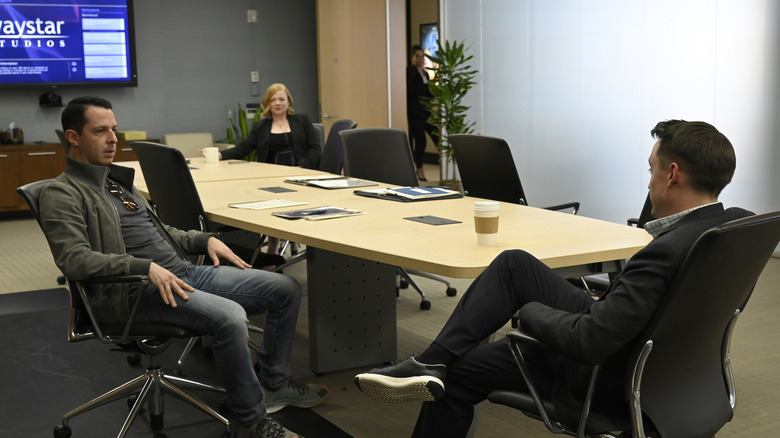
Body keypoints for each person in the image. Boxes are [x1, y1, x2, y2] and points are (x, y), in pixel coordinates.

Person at [354, 120, 753, 437]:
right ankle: (429, 361)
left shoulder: (665, 251)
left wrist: (530, 313)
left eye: (651, 169)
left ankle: (436, 365)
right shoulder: (733, 229)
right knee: (515, 264)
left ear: (672, 174)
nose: (647, 181)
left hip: (608, 376)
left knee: (461, 372)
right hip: (666, 367)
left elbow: (591, 341)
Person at [40, 96, 327, 438]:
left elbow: (162, 232)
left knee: (285, 289)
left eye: (114, 129)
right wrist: (144, 267)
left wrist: (202, 240)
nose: (113, 139)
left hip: (181, 274)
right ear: (73, 137)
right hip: (133, 293)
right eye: (100, 131)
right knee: (230, 316)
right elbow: (74, 259)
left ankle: (273, 384)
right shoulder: (62, 193)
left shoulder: (118, 182)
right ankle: (250, 421)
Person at [219, 83, 321, 255]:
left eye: (281, 99)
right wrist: (220, 155)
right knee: (270, 207)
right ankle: (273, 248)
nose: (278, 103)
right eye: (273, 100)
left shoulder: (302, 120)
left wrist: (301, 167)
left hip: (300, 174)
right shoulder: (261, 127)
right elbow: (244, 148)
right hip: (271, 176)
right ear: (267, 103)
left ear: (289, 101)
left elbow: (315, 149)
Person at [406, 45, 438, 182]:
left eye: (422, 56)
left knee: (436, 136)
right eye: (417, 56)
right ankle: (420, 169)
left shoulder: (425, 73)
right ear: (412, 58)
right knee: (421, 141)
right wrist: (423, 88)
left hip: (426, 111)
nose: (420, 58)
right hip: (414, 112)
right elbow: (409, 90)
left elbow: (427, 93)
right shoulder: (410, 71)